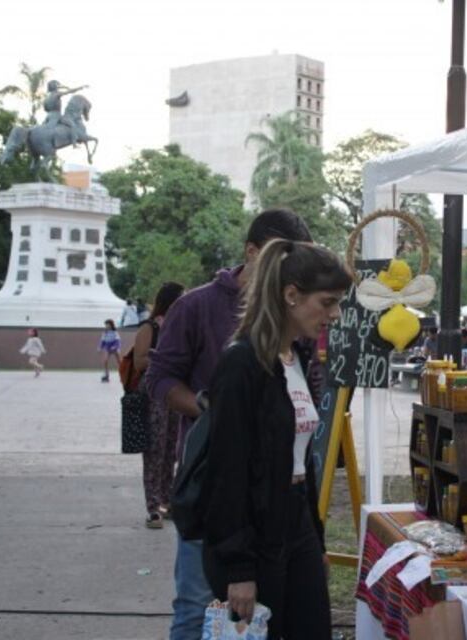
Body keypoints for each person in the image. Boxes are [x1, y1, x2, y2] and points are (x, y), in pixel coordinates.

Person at [144, 209, 314, 640]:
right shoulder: (196, 306)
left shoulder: (297, 320)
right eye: (278, 261)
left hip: (269, 499)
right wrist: (214, 411)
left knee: (256, 617)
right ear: (251, 252)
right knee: (195, 607)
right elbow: (159, 377)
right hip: (210, 483)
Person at [202, 240, 350, 639]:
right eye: (327, 302)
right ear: (290, 295)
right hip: (254, 531)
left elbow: (304, 459)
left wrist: (315, 539)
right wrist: (239, 569)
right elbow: (227, 473)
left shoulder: (297, 359)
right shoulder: (241, 364)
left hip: (296, 519)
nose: (334, 314)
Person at [132, 282, 185, 530]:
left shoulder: (181, 326)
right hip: (153, 391)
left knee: (171, 448)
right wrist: (162, 357)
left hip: (175, 391)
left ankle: (167, 501)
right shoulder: (149, 327)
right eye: (180, 299)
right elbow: (139, 361)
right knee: (154, 449)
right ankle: (153, 508)